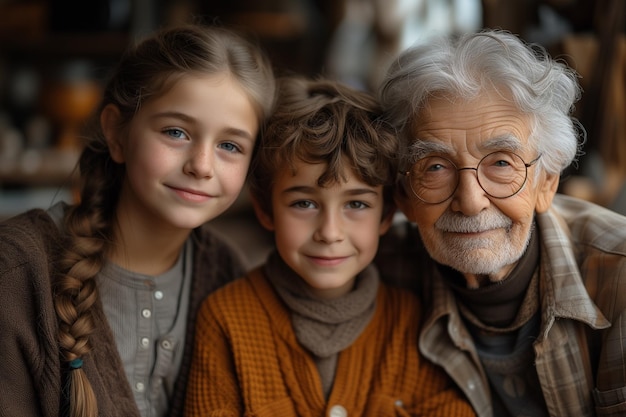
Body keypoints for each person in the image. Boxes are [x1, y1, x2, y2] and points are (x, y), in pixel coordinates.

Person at [0, 24, 275, 417]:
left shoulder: (227, 276)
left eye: (230, 145)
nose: (201, 166)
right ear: (117, 132)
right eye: (176, 132)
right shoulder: (16, 273)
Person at [184, 76, 476, 416]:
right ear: (265, 210)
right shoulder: (226, 318)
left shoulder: (410, 322)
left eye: (356, 205)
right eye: (304, 204)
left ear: (387, 215)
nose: (330, 232)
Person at [375, 28, 626, 417]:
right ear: (404, 195)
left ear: (546, 182)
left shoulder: (620, 279)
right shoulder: (379, 273)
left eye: (502, 163)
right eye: (436, 166)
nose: (471, 202)